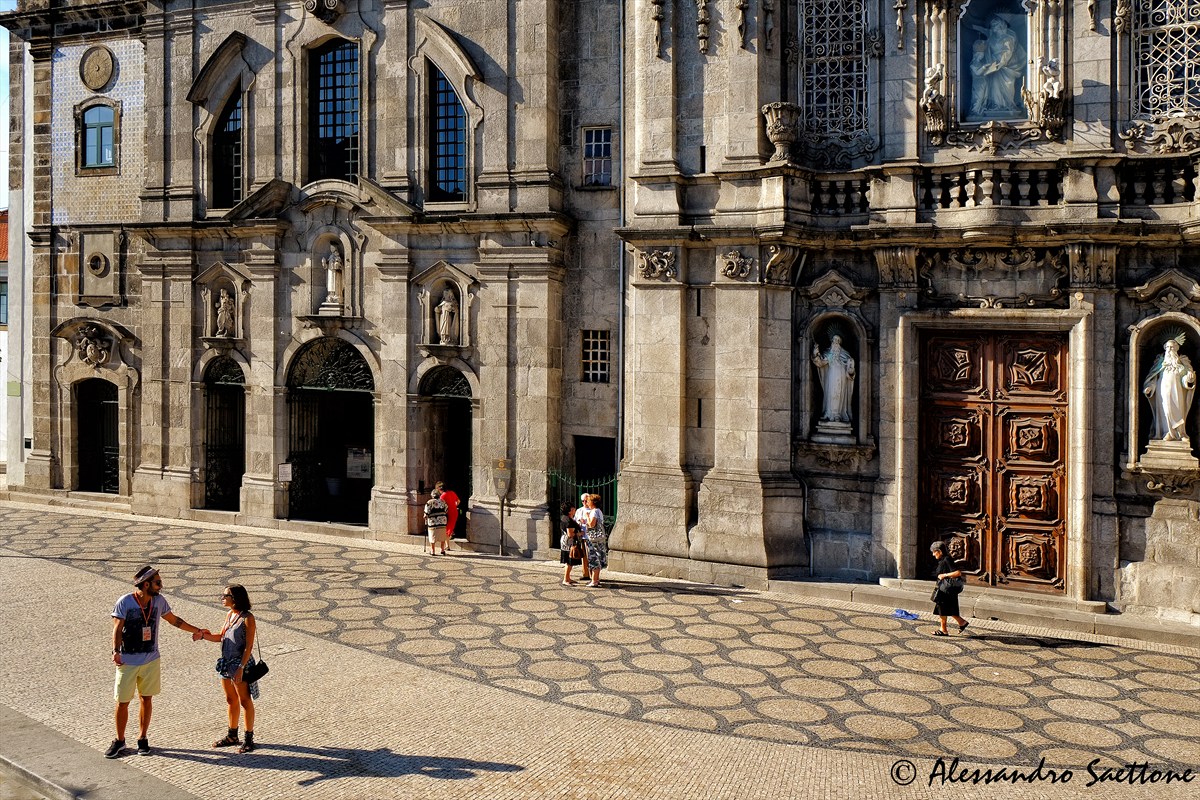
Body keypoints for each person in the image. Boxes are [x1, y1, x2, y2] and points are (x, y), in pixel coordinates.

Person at [107, 565, 206, 758]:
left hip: (151, 660)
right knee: (122, 702)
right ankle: (119, 740)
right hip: (127, 661)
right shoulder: (125, 602)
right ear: (146, 585)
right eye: (158, 582)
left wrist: (197, 630)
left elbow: (174, 620)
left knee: (147, 699)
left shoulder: (159, 601)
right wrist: (116, 652)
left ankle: (142, 738)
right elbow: (117, 628)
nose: (161, 586)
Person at [196, 584, 259, 754]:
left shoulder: (248, 618)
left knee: (245, 701)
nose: (222, 598)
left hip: (240, 664)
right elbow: (221, 637)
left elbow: (248, 646)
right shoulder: (230, 614)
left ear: (235, 598)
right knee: (231, 700)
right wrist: (203, 636)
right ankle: (232, 735)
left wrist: (241, 667)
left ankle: (248, 739)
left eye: (225, 595)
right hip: (226, 663)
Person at [968, 16, 1025, 119]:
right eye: (992, 26)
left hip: (1006, 67)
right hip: (993, 67)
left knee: (1007, 87)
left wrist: (1001, 63)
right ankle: (996, 106)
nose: (993, 28)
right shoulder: (991, 39)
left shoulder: (1008, 38)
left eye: (995, 26)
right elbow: (986, 48)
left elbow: (1008, 52)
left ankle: (1007, 106)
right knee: (994, 87)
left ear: (1001, 26)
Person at [1143, 336, 1196, 442]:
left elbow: (1186, 377)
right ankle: (1166, 432)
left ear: (1177, 348)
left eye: (1172, 347)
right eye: (1167, 347)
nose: (1169, 349)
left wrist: (1189, 380)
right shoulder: (1160, 362)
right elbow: (1153, 377)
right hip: (1162, 391)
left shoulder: (1182, 362)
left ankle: (1180, 433)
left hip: (1177, 391)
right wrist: (1149, 387)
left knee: (1178, 409)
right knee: (1165, 410)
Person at [812, 335, 856, 423]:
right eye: (834, 339)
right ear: (831, 341)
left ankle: (838, 414)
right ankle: (829, 413)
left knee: (839, 394)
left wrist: (851, 371)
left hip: (842, 378)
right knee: (831, 393)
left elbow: (850, 370)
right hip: (831, 376)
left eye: (838, 340)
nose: (836, 341)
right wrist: (815, 353)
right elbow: (820, 363)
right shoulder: (828, 353)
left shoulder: (845, 354)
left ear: (840, 342)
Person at [929, 542, 969, 636]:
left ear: (939, 551)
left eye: (934, 552)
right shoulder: (943, 559)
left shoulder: (947, 559)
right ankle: (961, 622)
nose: (933, 554)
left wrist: (944, 575)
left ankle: (943, 630)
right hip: (945, 589)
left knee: (942, 608)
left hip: (946, 590)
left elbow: (958, 573)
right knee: (948, 608)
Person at [576, 493, 608, 588]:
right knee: (597, 557)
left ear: (593, 502)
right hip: (599, 538)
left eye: (588, 500)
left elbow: (591, 524)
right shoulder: (599, 511)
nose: (587, 502)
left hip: (594, 539)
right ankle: (596, 580)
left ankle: (594, 581)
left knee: (594, 558)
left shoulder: (594, 511)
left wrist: (585, 519)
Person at [559, 501, 584, 586]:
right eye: (573, 509)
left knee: (569, 562)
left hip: (565, 541)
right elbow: (570, 534)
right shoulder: (568, 521)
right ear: (570, 511)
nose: (575, 510)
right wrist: (579, 534)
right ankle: (566, 579)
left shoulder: (564, 518)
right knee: (569, 562)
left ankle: (568, 578)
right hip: (569, 543)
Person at [424, 487, 450, 555]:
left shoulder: (429, 502)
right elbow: (446, 509)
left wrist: (425, 516)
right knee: (442, 535)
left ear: (432, 495)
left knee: (432, 535)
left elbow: (426, 512)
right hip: (442, 521)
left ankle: (433, 551)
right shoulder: (443, 501)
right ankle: (442, 550)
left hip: (433, 522)